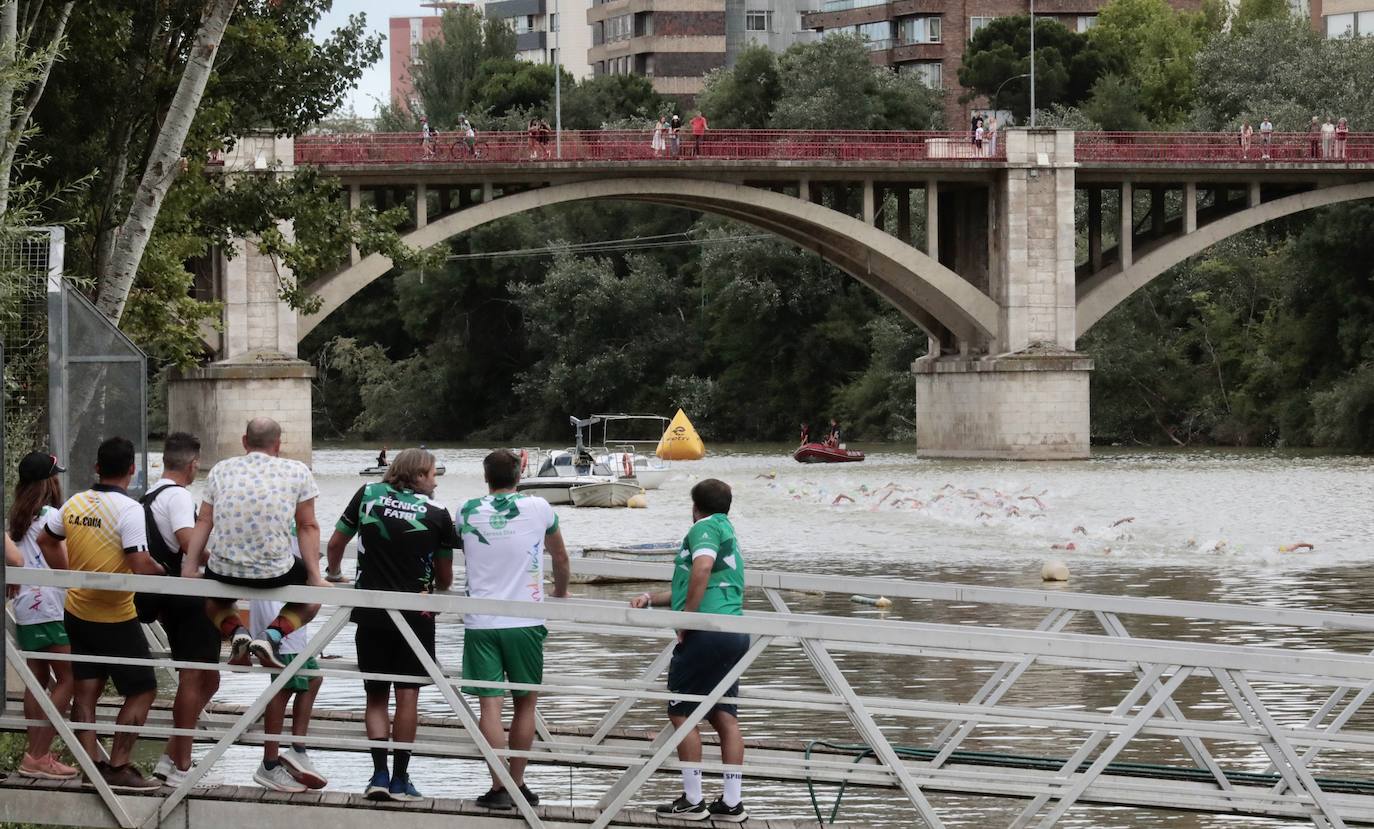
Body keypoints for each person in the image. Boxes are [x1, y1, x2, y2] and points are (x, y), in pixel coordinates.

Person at [325, 448, 457, 802]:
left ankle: (378, 775)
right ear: (415, 476)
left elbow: (336, 542)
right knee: (408, 696)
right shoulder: (440, 513)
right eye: (431, 473)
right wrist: (440, 590)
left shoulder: (367, 495)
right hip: (417, 615)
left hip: (370, 612)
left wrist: (334, 573)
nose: (435, 479)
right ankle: (401, 778)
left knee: (376, 695)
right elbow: (445, 575)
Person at [36, 437, 164, 791]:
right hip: (116, 616)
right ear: (132, 470)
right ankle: (119, 765)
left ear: (96, 467)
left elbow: (46, 540)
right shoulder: (129, 509)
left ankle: (91, 767)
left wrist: (67, 577)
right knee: (143, 689)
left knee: (86, 691)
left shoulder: (75, 502)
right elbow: (139, 562)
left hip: (77, 611)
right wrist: (165, 573)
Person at [629, 479, 749, 822]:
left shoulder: (704, 528)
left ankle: (694, 800)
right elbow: (696, 585)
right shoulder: (728, 530)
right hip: (732, 632)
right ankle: (731, 802)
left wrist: (686, 620)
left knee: (682, 711)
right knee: (724, 714)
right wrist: (652, 598)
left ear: (695, 506)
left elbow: (702, 569)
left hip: (706, 632)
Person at [459, 449, 570, 810]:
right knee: (525, 705)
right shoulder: (539, 507)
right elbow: (560, 556)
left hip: (481, 621)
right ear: (520, 474)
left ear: (486, 477)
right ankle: (517, 783)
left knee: (490, 708)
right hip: (525, 620)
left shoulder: (466, 510)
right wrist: (560, 592)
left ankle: (499, 786)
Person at [183, 417, 328, 671]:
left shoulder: (220, 469)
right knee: (312, 597)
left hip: (224, 570)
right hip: (275, 572)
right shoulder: (297, 471)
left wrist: (191, 567)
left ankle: (238, 631)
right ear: (278, 444)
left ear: (245, 441)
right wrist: (315, 576)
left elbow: (204, 521)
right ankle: (270, 636)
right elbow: (308, 526)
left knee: (211, 597)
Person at [140, 433, 221, 788]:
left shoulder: (148, 497)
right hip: (187, 599)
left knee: (210, 678)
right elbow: (190, 544)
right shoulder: (176, 497)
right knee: (193, 677)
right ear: (192, 465)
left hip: (169, 596)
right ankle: (182, 765)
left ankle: (171, 755)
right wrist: (222, 560)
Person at [8, 451, 77, 781]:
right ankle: (38, 755)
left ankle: (35, 753)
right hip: (50, 605)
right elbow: (63, 560)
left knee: (36, 681)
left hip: (25, 606)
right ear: (48, 482)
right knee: (68, 679)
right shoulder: (52, 515)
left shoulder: (16, 519)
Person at [246, 591, 327, 792]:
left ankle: (297, 749)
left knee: (313, 678)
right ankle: (269, 764)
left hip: (290, 617)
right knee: (283, 688)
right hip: (280, 620)